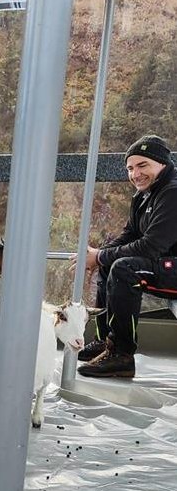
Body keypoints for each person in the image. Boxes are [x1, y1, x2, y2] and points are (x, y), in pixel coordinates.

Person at [74, 134, 177, 380]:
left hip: (171, 266)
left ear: (162, 164)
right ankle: (104, 342)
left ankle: (121, 355)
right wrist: (96, 255)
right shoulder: (143, 195)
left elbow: (151, 246)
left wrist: (101, 256)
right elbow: (129, 235)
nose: (135, 174)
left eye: (143, 165)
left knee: (124, 268)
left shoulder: (172, 193)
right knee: (110, 264)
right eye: (130, 168)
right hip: (165, 265)